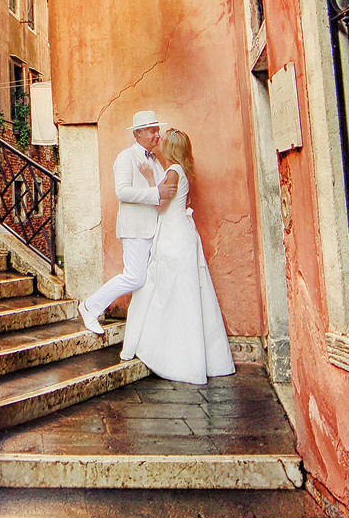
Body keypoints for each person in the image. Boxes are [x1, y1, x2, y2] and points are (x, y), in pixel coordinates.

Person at [120, 128, 236, 384]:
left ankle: (170, 355)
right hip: (180, 233)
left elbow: (160, 205)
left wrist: (150, 179)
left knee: (169, 291)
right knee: (185, 292)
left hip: (173, 236)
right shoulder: (181, 170)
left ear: (172, 149)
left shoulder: (172, 172)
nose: (159, 144)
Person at [77, 109, 178, 335]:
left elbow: (163, 190)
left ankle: (145, 328)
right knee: (135, 277)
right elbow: (122, 192)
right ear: (139, 134)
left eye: (157, 130)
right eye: (153, 131)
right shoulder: (125, 157)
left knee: (151, 278)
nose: (157, 135)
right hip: (135, 228)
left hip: (155, 227)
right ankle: (89, 307)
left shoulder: (156, 161)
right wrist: (155, 193)